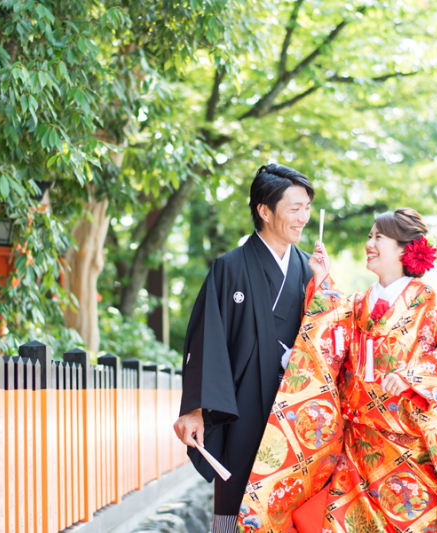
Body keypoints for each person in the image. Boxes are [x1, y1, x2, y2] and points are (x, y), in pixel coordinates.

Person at [239, 208, 437, 533]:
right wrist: (321, 278)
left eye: (379, 237)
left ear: (404, 248)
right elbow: (328, 333)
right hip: (360, 446)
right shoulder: (357, 304)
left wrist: (410, 377)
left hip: (409, 447)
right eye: (369, 236)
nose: (369, 243)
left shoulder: (428, 303)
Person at [174, 164, 315, 531]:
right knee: (237, 502)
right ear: (264, 211)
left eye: (307, 208)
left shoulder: (311, 271)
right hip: (243, 407)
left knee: (294, 504)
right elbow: (207, 341)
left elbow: (331, 337)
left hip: (295, 412)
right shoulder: (229, 268)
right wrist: (196, 409)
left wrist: (328, 287)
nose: (303, 218)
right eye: (294, 208)